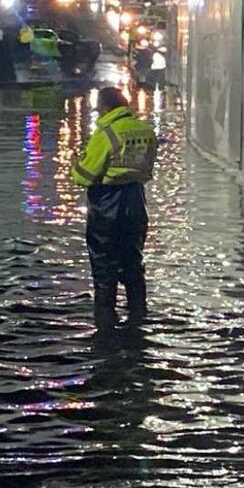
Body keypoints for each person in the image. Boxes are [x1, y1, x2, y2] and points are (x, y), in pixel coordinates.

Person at [71, 87, 158, 330]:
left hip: (107, 205)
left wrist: (75, 164)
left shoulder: (106, 134)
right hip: (136, 202)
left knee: (104, 267)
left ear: (106, 107)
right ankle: (138, 320)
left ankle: (105, 326)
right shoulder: (145, 131)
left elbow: (84, 176)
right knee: (133, 262)